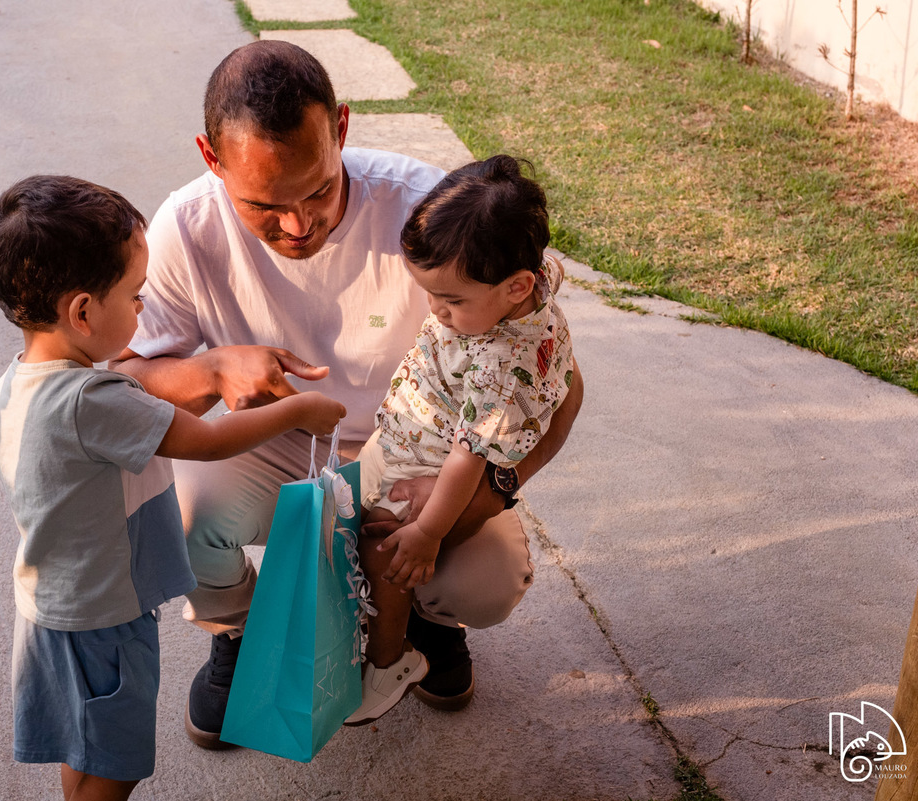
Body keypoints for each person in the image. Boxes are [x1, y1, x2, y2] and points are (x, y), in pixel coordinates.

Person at [115, 41, 584, 749]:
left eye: (319, 191)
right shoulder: (184, 227)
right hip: (268, 445)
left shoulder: (431, 213)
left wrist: (496, 486)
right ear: (212, 159)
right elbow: (122, 381)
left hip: (417, 453)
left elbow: (561, 382)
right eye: (265, 206)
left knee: (490, 577)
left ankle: (429, 618)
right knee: (178, 521)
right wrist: (211, 369)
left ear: (340, 129)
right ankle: (248, 627)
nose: (299, 225)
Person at [0, 174, 345, 800]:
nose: (143, 309)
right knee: (118, 762)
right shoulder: (93, 401)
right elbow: (204, 441)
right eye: (135, 295)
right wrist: (299, 412)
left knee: (86, 740)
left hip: (52, 606)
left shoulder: (15, 385)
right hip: (105, 615)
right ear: (83, 312)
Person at [345, 156, 576, 725]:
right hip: (405, 439)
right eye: (429, 294)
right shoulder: (533, 290)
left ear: (516, 285)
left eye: (451, 300)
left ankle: (388, 660)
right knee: (354, 534)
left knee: (388, 554)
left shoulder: (500, 365)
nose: (436, 311)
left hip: (424, 465)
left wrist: (426, 532)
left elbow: (464, 462)